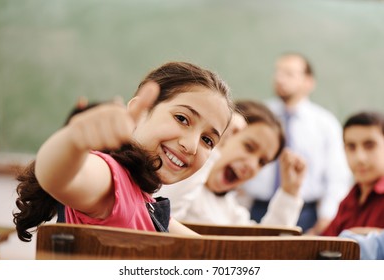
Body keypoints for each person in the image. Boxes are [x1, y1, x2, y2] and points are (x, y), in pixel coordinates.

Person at [13, 61, 234, 242]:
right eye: (182, 119)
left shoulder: (145, 202)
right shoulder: (111, 182)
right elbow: (58, 177)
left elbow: (210, 251)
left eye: (207, 140)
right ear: (142, 110)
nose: (192, 145)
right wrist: (73, 140)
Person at [241, 52, 352, 234]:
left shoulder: (325, 124)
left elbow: (337, 178)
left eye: (289, 74)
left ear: (309, 82)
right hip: (254, 210)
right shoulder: (259, 115)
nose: (279, 78)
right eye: (277, 72)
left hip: (306, 214)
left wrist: (325, 220)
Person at [157, 100, 305, 226]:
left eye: (262, 162)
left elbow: (264, 249)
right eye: (249, 147)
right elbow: (163, 217)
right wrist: (214, 148)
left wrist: (289, 193)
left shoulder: (231, 210)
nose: (253, 165)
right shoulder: (170, 181)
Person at [321, 111, 384, 236]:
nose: (359, 158)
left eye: (369, 146)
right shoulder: (349, 199)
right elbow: (325, 244)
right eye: (351, 147)